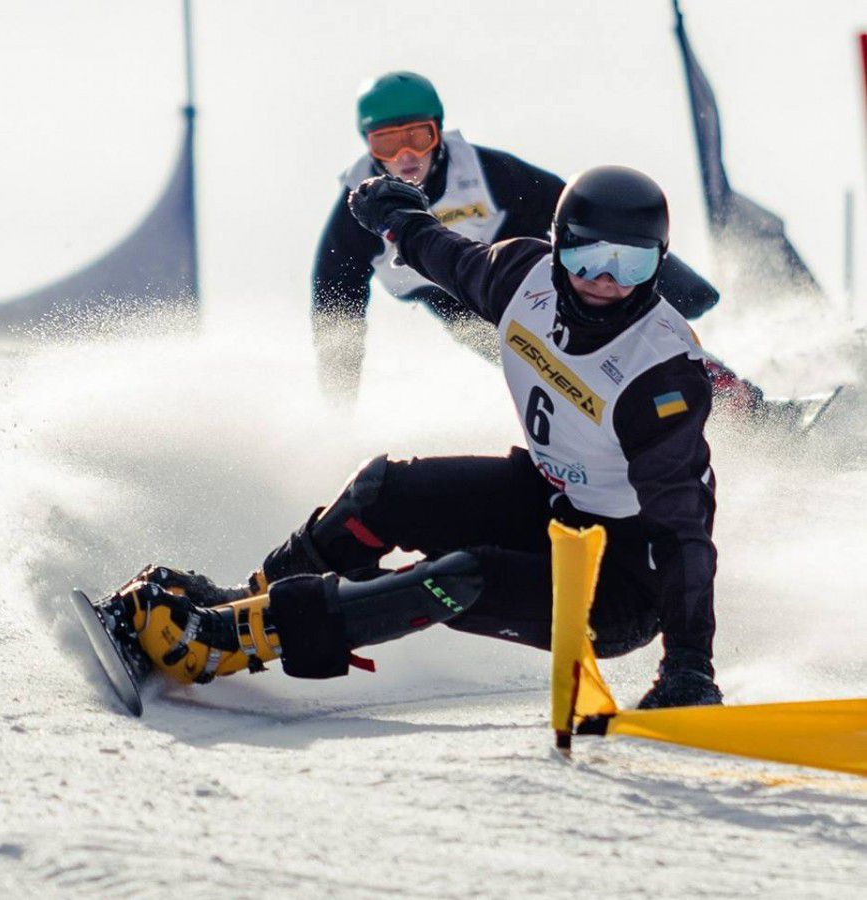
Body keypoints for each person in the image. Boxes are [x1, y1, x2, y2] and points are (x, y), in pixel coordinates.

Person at [99, 165, 722, 711]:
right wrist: (397, 216)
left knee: (456, 577)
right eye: (590, 258)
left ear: (658, 265)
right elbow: (446, 254)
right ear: (559, 248)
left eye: (632, 263)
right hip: (553, 504)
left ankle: (227, 646)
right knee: (385, 492)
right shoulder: (521, 277)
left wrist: (690, 661)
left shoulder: (660, 377)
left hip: (620, 583)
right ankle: (248, 602)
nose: (608, 282)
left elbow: (683, 529)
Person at [313, 71, 720, 399]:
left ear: (438, 132)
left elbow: (575, 207)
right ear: (368, 146)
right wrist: (339, 404)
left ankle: (724, 394)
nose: (405, 157)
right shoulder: (358, 212)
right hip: (462, 307)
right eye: (387, 143)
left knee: (612, 317)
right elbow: (336, 307)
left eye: (418, 138)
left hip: (521, 271)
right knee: (560, 368)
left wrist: (672, 280)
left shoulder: (486, 173)